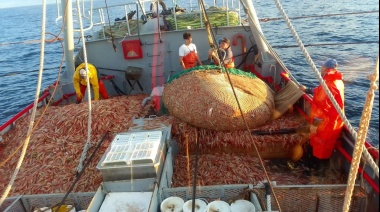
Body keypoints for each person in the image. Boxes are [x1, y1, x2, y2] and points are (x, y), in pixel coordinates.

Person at [300, 58, 345, 160]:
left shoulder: (328, 83)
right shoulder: (337, 80)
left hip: (325, 124)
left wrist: (315, 125)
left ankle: (316, 172)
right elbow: (320, 91)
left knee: (320, 150)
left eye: (322, 66)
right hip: (335, 122)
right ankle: (319, 169)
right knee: (325, 149)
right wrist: (307, 90)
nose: (321, 68)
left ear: (325, 68)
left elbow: (322, 107)